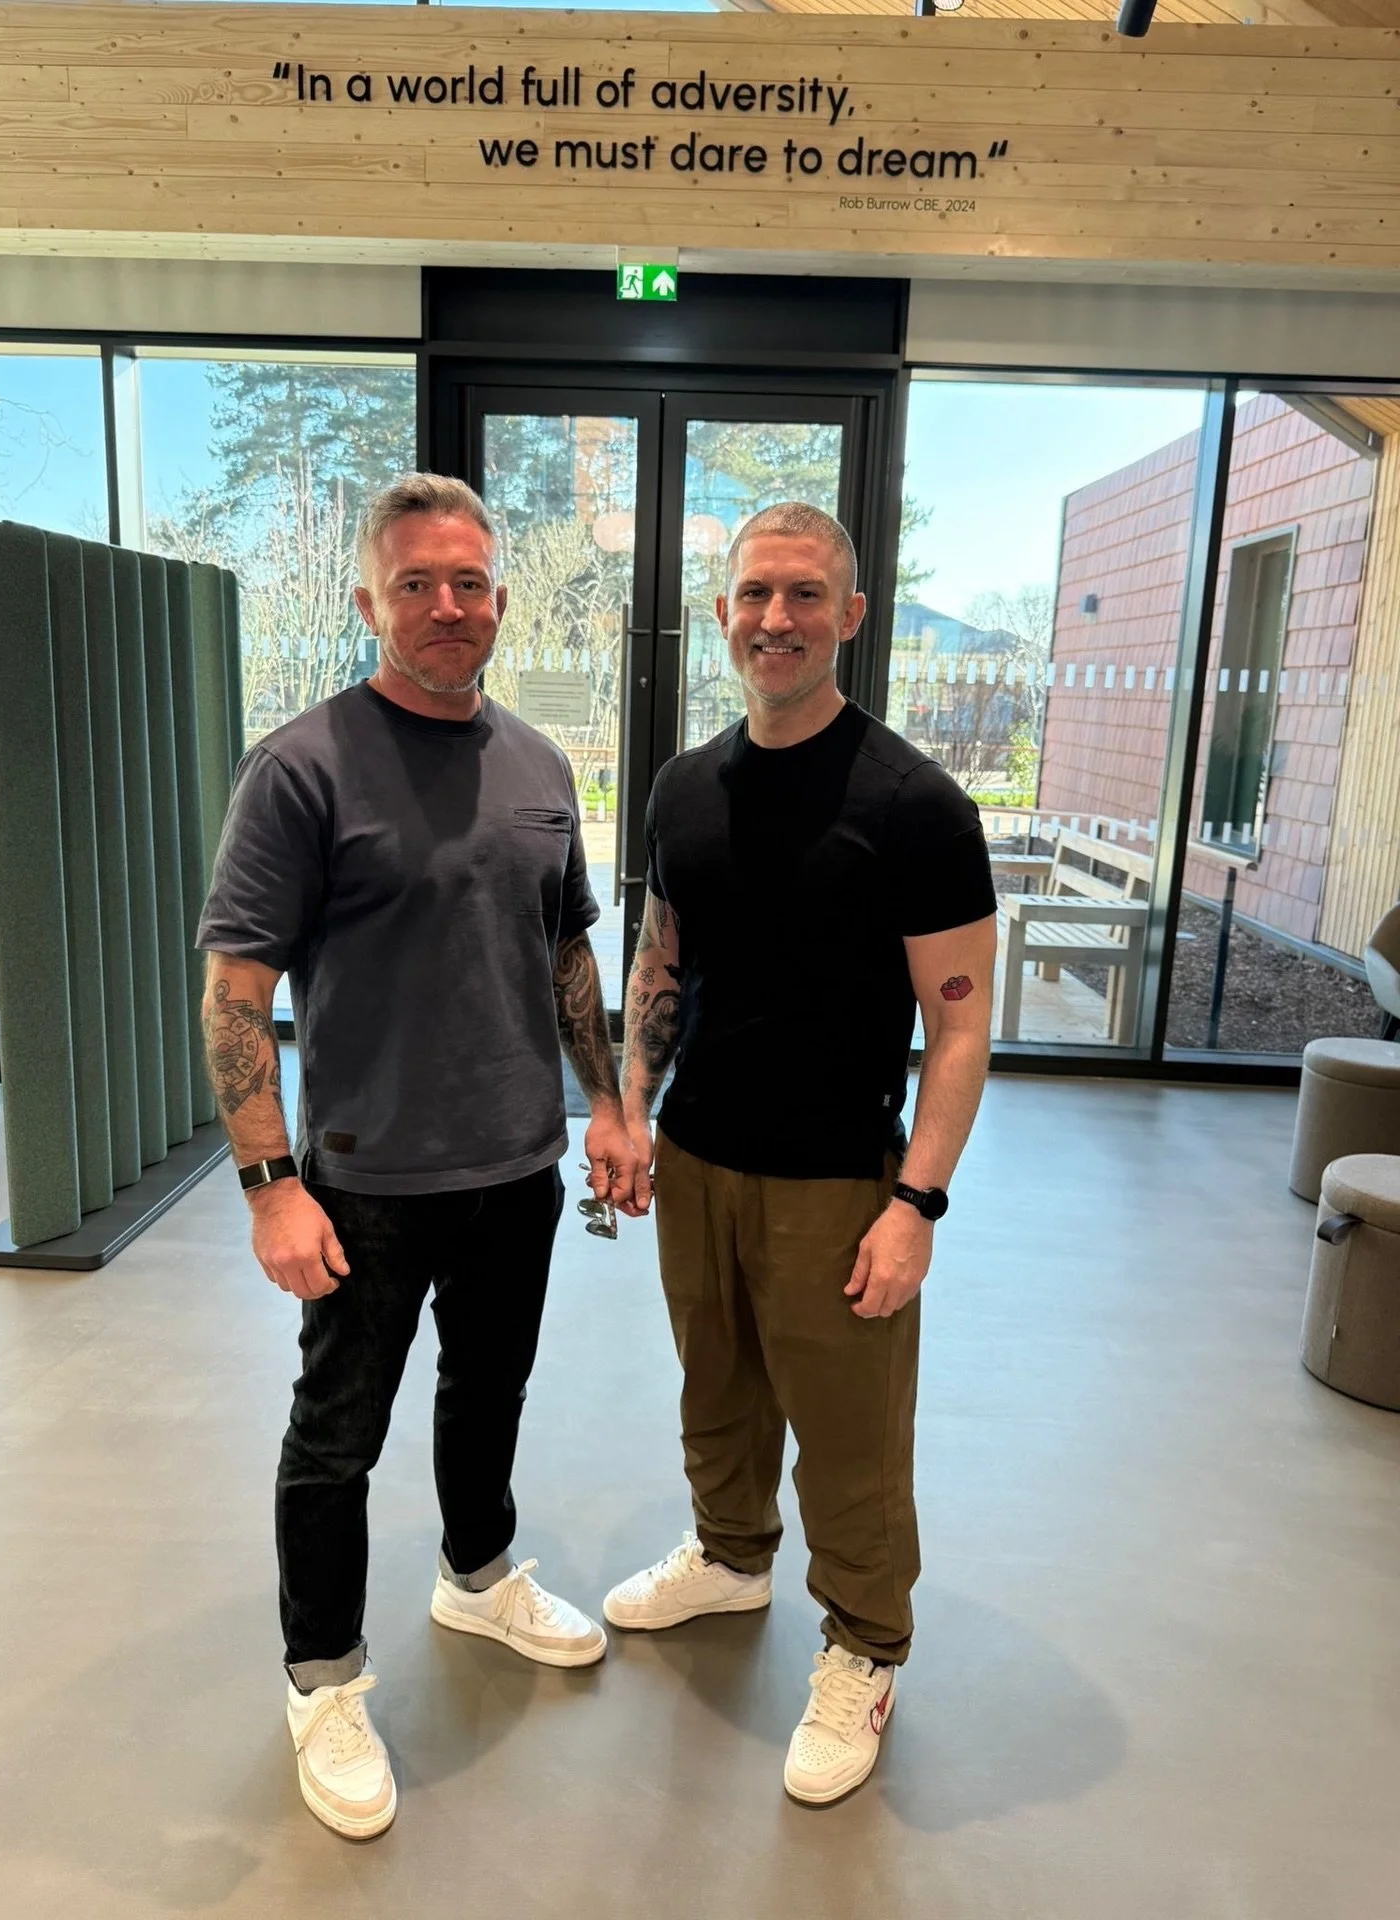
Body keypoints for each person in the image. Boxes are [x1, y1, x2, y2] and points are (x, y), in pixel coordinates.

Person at [197, 472, 637, 1841]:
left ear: (500, 599)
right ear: (369, 600)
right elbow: (234, 991)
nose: (447, 606)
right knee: (337, 1436)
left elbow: (565, 952)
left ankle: (478, 1572)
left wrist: (608, 1105)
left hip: (516, 1166)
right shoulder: (302, 766)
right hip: (363, 1180)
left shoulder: (541, 765)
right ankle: (322, 1679)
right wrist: (271, 1187)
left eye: (469, 583)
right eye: (415, 584)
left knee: (488, 1390)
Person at [603, 501, 997, 1805]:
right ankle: (730, 1558)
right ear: (722, 613)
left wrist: (917, 1203)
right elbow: (662, 956)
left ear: (852, 615)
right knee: (714, 1384)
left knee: (848, 1434)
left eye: (806, 594)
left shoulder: (917, 807)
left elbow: (959, 1028)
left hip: (838, 1177)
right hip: (697, 1158)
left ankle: (866, 1650)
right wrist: (632, 1105)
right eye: (756, 594)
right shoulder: (680, 788)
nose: (778, 619)